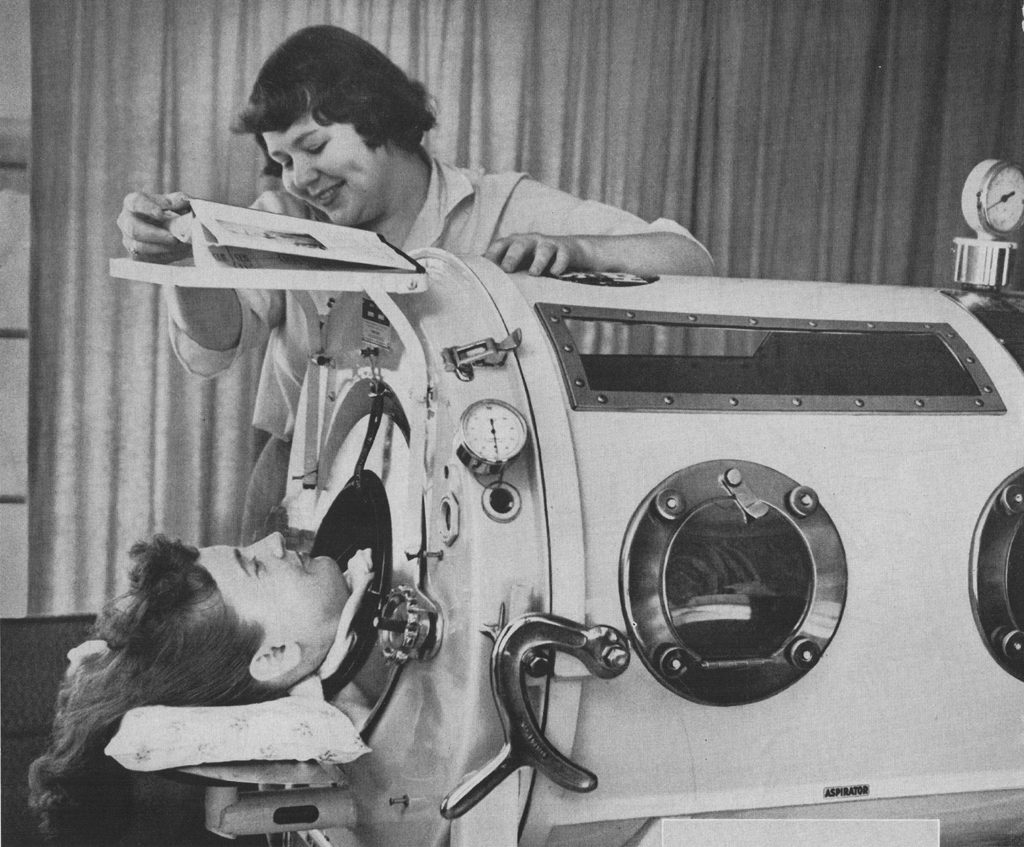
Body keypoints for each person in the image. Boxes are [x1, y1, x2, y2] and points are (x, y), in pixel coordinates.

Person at [117, 25, 715, 538]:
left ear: (379, 116)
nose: (298, 177)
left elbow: (688, 259)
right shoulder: (281, 218)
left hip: (460, 485)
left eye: (313, 146)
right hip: (300, 478)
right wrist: (184, 264)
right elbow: (216, 348)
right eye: (282, 161)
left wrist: (580, 249)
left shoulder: (501, 205)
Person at [28, 532, 370, 845]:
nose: (275, 539)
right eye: (257, 566)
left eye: (249, 552)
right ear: (275, 655)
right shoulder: (371, 721)